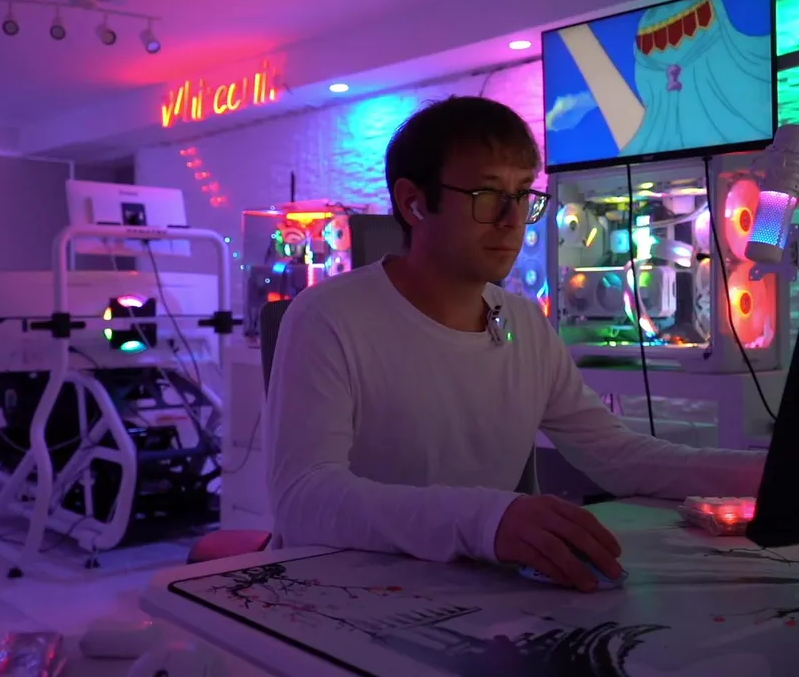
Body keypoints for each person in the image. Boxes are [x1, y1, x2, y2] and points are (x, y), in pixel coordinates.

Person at [263, 96, 765, 592]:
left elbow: (618, 456)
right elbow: (304, 499)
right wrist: (486, 519)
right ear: (413, 202)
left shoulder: (523, 323)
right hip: (333, 596)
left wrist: (772, 473)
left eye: (523, 193)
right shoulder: (329, 317)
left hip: (472, 596)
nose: (512, 218)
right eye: (486, 194)